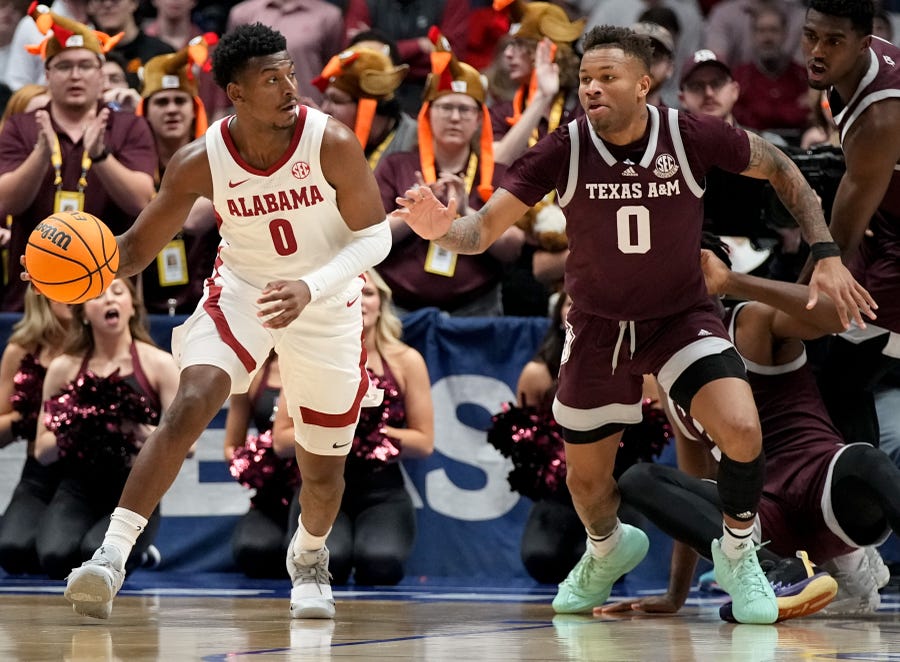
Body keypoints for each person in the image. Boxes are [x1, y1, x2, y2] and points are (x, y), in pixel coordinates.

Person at [391, 24, 874, 624]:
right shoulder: (562, 148)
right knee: (588, 483)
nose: (591, 88)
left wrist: (826, 252)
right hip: (597, 327)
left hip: (680, 316)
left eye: (607, 78)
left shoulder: (689, 134)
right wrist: (442, 229)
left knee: (742, 430)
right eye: (586, 79)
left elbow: (780, 166)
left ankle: (742, 555)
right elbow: (481, 231)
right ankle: (606, 548)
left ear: (643, 84)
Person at [56, 22, 392, 620]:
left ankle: (310, 557)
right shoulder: (199, 161)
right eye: (272, 79)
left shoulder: (332, 141)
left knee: (321, 467)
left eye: (290, 72)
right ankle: (110, 558)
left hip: (327, 297)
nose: (291, 87)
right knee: (192, 399)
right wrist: (66, 273)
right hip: (242, 292)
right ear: (235, 94)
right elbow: (132, 251)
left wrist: (310, 286)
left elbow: (374, 240)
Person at [609, 241, 899, 618]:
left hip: (825, 490)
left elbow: (839, 318)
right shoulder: (669, 377)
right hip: (760, 521)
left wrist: (737, 283)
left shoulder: (751, 322)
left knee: (865, 459)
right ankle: (773, 572)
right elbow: (690, 490)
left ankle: (849, 562)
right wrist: (674, 595)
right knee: (638, 479)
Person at [487, 291, 670, 584]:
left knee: (609, 564)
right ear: (559, 315)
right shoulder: (538, 373)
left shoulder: (639, 371)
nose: (581, 309)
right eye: (571, 303)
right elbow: (519, 442)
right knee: (542, 560)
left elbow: (656, 432)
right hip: (561, 491)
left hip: (618, 488)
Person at [273, 269, 434, 585]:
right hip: (320, 482)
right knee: (331, 563)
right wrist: (336, 428)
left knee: (381, 564)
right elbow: (281, 439)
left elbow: (424, 441)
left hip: (382, 491)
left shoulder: (407, 360)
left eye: (369, 293)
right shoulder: (307, 356)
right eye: (350, 292)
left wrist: (371, 432)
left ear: (382, 303)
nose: (360, 300)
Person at [0, 7, 156, 312]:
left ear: (101, 73)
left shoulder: (129, 125)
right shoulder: (21, 125)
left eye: (85, 65)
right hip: (33, 290)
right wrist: (41, 154)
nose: (75, 75)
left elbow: (141, 200)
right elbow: (6, 201)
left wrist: (100, 156)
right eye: (63, 66)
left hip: (107, 290)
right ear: (47, 74)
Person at [799, 0, 900, 450]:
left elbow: (835, 245)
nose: (817, 51)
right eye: (811, 36)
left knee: (843, 381)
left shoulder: (880, 118)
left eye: (833, 41)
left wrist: (790, 303)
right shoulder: (861, 58)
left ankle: (866, 515)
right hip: (890, 219)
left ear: (863, 45)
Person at [33, 278, 179, 579]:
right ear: (83, 313)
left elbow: (185, 446)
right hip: (79, 484)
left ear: (132, 307)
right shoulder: (63, 368)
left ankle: (136, 550)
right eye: (98, 295)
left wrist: (132, 427)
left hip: (135, 487)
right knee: (54, 557)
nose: (110, 300)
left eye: (118, 292)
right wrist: (80, 423)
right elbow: (41, 451)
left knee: (93, 553)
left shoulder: (160, 364)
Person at [375, 30, 523, 317]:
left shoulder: (495, 173)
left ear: (480, 118)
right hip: (398, 308)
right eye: (446, 108)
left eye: (465, 110)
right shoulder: (398, 164)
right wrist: (412, 216)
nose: (455, 117)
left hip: (476, 309)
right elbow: (369, 236)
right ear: (427, 114)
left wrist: (470, 212)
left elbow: (513, 249)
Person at [135, 36, 219, 314]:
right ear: (145, 112)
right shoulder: (133, 167)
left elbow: (193, 222)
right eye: (161, 102)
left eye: (179, 101)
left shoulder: (217, 161)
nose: (171, 109)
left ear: (194, 110)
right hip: (142, 307)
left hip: (206, 305)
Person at [0, 287, 71, 574]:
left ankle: (132, 550)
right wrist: (26, 418)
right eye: (64, 287)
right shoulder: (21, 349)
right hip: (40, 473)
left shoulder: (103, 345)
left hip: (90, 474)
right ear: (42, 294)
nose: (73, 296)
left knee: (61, 555)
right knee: (11, 550)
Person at [224, 352, 299, 578]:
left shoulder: (319, 363)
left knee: (305, 554)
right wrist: (256, 464)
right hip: (272, 492)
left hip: (313, 484)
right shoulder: (252, 373)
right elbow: (231, 446)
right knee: (254, 552)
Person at [312, 40, 417, 171]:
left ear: (368, 106)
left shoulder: (414, 142)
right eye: (325, 99)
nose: (325, 109)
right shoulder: (330, 142)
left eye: (336, 100)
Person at [731, 4, 811, 143]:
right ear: (753, 35)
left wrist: (758, 111)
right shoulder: (739, 77)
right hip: (752, 146)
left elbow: (810, 115)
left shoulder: (802, 76)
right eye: (761, 31)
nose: (767, 38)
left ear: (785, 34)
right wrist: (791, 110)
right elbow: (735, 117)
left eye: (774, 30)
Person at [88, 0, 175, 90]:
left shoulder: (161, 54)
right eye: (99, 1)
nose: (107, 4)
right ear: (90, 6)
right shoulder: (86, 55)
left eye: (115, 0)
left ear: (133, 3)